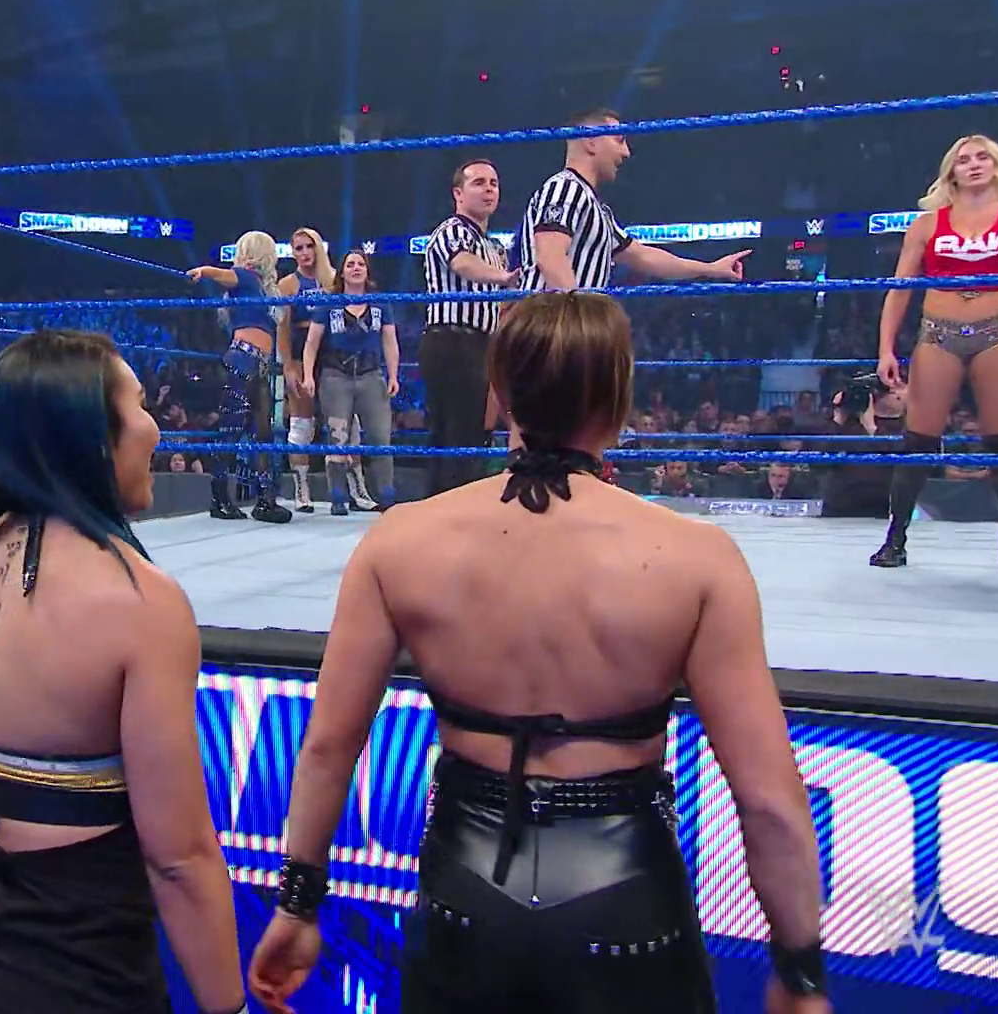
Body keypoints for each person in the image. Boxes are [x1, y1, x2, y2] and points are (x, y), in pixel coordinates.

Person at [246, 291, 826, 1014]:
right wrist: (801, 972)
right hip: (627, 892)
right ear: (618, 399)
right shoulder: (697, 559)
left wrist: (297, 903)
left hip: (465, 888)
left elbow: (329, 746)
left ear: (500, 391)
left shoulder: (400, 541)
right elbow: (767, 800)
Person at [0, 330, 245, 1014]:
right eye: (140, 406)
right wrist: (230, 1007)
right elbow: (178, 858)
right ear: (92, 436)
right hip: (80, 972)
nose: (155, 430)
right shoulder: (141, 602)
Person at [872, 135, 998, 572]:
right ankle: (895, 539)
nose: (973, 165)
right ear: (951, 171)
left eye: (982, 157)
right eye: (964, 159)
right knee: (919, 437)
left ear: (997, 164)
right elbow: (899, 289)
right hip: (938, 332)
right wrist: (885, 349)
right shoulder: (927, 225)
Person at [514, 108, 751, 294]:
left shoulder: (596, 207)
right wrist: (578, 314)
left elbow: (642, 256)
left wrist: (711, 268)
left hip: (570, 323)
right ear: (591, 141)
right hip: (551, 324)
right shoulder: (565, 187)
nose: (626, 152)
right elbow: (550, 255)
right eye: (619, 140)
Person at [422, 159, 520, 496]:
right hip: (452, 341)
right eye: (479, 182)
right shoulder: (452, 230)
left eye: (493, 183)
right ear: (458, 193)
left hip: (481, 345)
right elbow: (463, 264)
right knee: (454, 434)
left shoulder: (493, 247)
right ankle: (444, 507)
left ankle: (455, 505)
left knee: (475, 431)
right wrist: (503, 278)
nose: (489, 189)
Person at [188, 231, 293, 523]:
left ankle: (265, 501)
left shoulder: (263, 288)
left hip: (259, 365)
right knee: (231, 431)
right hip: (243, 360)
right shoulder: (245, 278)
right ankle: (219, 499)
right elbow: (224, 275)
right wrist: (203, 271)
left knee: (262, 432)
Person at [302, 250, 401, 514]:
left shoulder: (380, 303)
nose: (356, 268)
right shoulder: (329, 303)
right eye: (350, 264)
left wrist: (393, 375)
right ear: (342, 272)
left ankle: (387, 497)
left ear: (367, 271)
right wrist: (308, 375)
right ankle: (338, 498)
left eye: (360, 264)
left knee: (381, 439)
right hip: (336, 377)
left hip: (371, 375)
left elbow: (390, 342)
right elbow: (311, 343)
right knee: (338, 438)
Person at [277, 229, 337, 512]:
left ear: (318, 248)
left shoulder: (334, 279)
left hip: (334, 356)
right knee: (301, 423)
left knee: (344, 422)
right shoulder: (288, 284)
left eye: (308, 246)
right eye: (298, 248)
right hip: (301, 356)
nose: (304, 253)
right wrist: (288, 365)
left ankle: (350, 488)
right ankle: (301, 488)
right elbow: (282, 329)